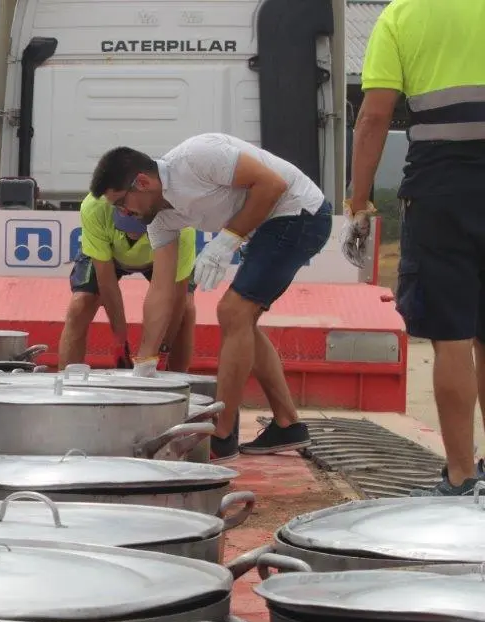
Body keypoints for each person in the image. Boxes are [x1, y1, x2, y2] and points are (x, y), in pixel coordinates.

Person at [91, 135, 331, 461]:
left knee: (233, 312)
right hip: (267, 226)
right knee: (241, 320)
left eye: (122, 203)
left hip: (301, 212)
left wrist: (224, 243)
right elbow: (160, 290)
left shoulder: (197, 157)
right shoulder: (161, 219)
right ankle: (287, 424)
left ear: (143, 182)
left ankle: (222, 434)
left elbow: (271, 185)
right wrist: (144, 362)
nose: (123, 213)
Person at [347, 0, 485, 496]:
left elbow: (374, 115)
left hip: (442, 189)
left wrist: (358, 200)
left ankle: (461, 476)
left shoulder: (402, 14)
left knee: (452, 338)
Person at [59, 191, 198, 370]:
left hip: (161, 253)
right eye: (127, 223)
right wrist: (120, 340)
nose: (133, 231)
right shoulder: (95, 205)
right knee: (80, 305)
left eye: (139, 225)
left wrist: (163, 350)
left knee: (186, 309)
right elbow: (107, 284)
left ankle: (179, 385)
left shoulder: (180, 225)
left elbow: (176, 299)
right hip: (109, 255)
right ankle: (67, 384)